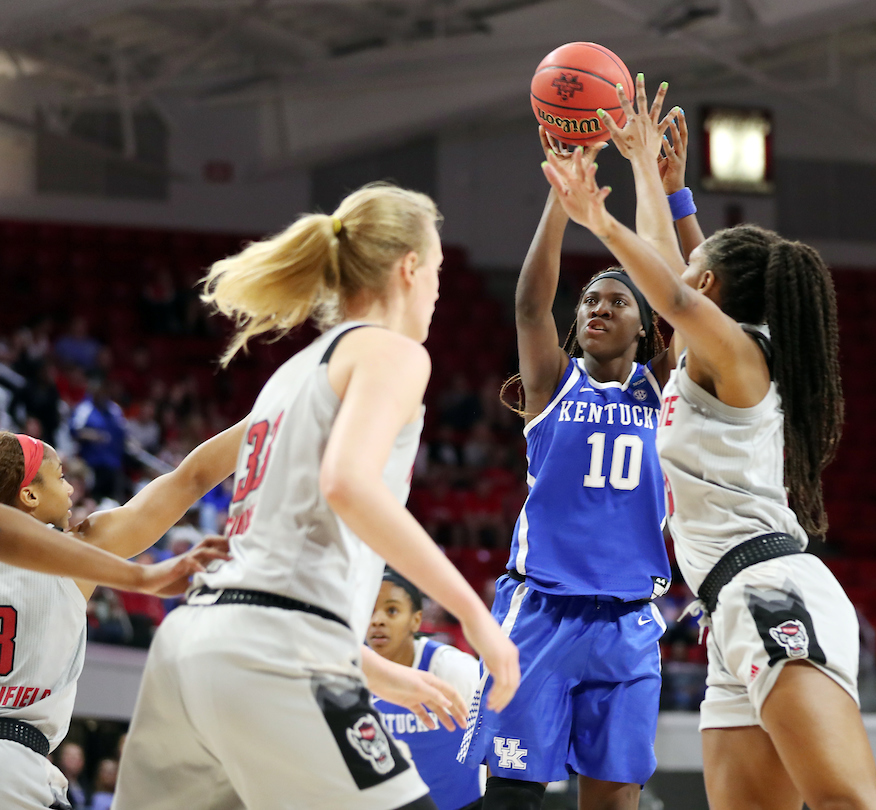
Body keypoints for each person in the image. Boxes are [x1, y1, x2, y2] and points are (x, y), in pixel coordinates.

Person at [112, 183, 520, 810]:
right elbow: (347, 483)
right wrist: (474, 614)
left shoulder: (291, 374)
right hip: (275, 650)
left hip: (192, 644)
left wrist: (384, 676)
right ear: (410, 269)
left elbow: (203, 481)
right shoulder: (393, 352)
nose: (438, 291)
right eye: (436, 270)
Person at [543, 74, 876, 809]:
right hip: (726, 607)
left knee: (845, 803)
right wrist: (665, 183)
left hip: (770, 591)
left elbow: (672, 291)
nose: (685, 278)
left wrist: (603, 217)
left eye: (701, 278)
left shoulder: (740, 358)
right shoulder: (731, 347)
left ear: (715, 292)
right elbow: (688, 272)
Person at [457, 127, 676, 810]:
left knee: (613, 801)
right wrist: (562, 195)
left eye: (617, 300)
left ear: (645, 325)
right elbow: (530, 303)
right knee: (514, 797)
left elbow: (679, 292)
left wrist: (652, 181)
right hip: (541, 610)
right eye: (589, 302)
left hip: (629, 619)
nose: (599, 307)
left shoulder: (663, 390)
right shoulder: (554, 384)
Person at [0, 429, 236, 810]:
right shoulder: (78, 554)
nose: (71, 490)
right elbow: (191, 478)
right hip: (14, 767)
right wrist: (270, 413)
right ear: (30, 495)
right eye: (60, 477)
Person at [370, 568, 486, 810]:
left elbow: (500, 723)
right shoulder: (347, 667)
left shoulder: (453, 668)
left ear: (415, 620)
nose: (377, 620)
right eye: (369, 611)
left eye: (392, 610)